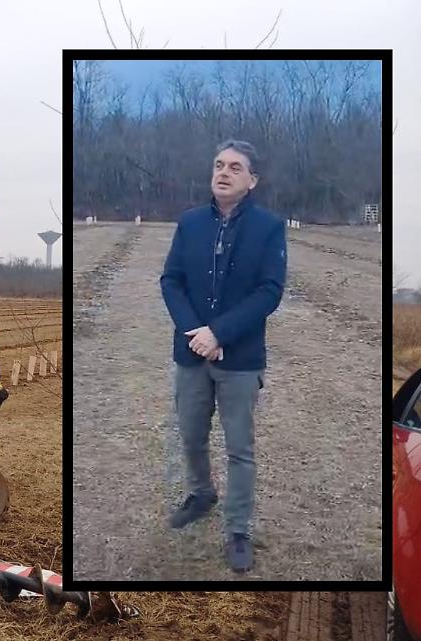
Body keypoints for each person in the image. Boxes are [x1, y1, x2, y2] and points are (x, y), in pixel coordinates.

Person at [159, 139, 287, 573]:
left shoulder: (269, 228)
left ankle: (237, 529)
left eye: (235, 167)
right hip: (191, 353)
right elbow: (171, 281)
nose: (224, 172)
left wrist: (219, 333)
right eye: (218, 165)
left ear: (252, 180)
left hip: (239, 358)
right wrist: (195, 332)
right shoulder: (190, 223)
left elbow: (269, 291)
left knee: (239, 449)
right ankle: (201, 493)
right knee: (191, 436)